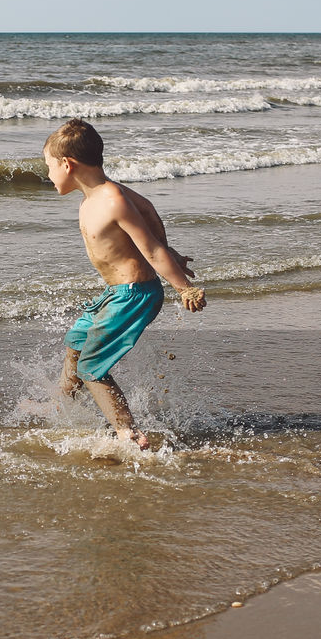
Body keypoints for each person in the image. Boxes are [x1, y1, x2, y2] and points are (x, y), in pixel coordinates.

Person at [44, 119, 205, 450]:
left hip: (134, 295)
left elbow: (150, 248)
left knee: (91, 365)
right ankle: (60, 403)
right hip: (115, 294)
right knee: (77, 339)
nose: (47, 175)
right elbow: (147, 209)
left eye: (48, 166)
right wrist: (169, 246)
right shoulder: (99, 195)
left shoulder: (111, 198)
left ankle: (126, 432)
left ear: (66, 164)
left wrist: (182, 286)